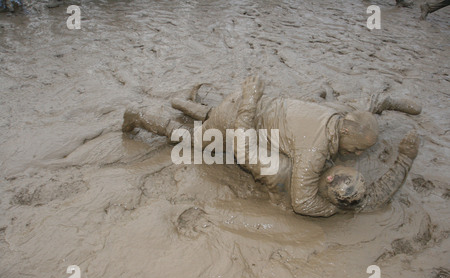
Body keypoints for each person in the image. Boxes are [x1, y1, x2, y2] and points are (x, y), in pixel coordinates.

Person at [122, 76, 420, 217]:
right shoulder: (311, 157)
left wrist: (405, 156)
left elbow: (244, 145)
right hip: (241, 114)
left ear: (330, 178)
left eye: (349, 171)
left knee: (207, 132)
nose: (354, 159)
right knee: (193, 141)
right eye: (353, 155)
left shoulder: (331, 120)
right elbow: (304, 203)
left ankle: (185, 105)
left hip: (245, 112)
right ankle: (140, 115)